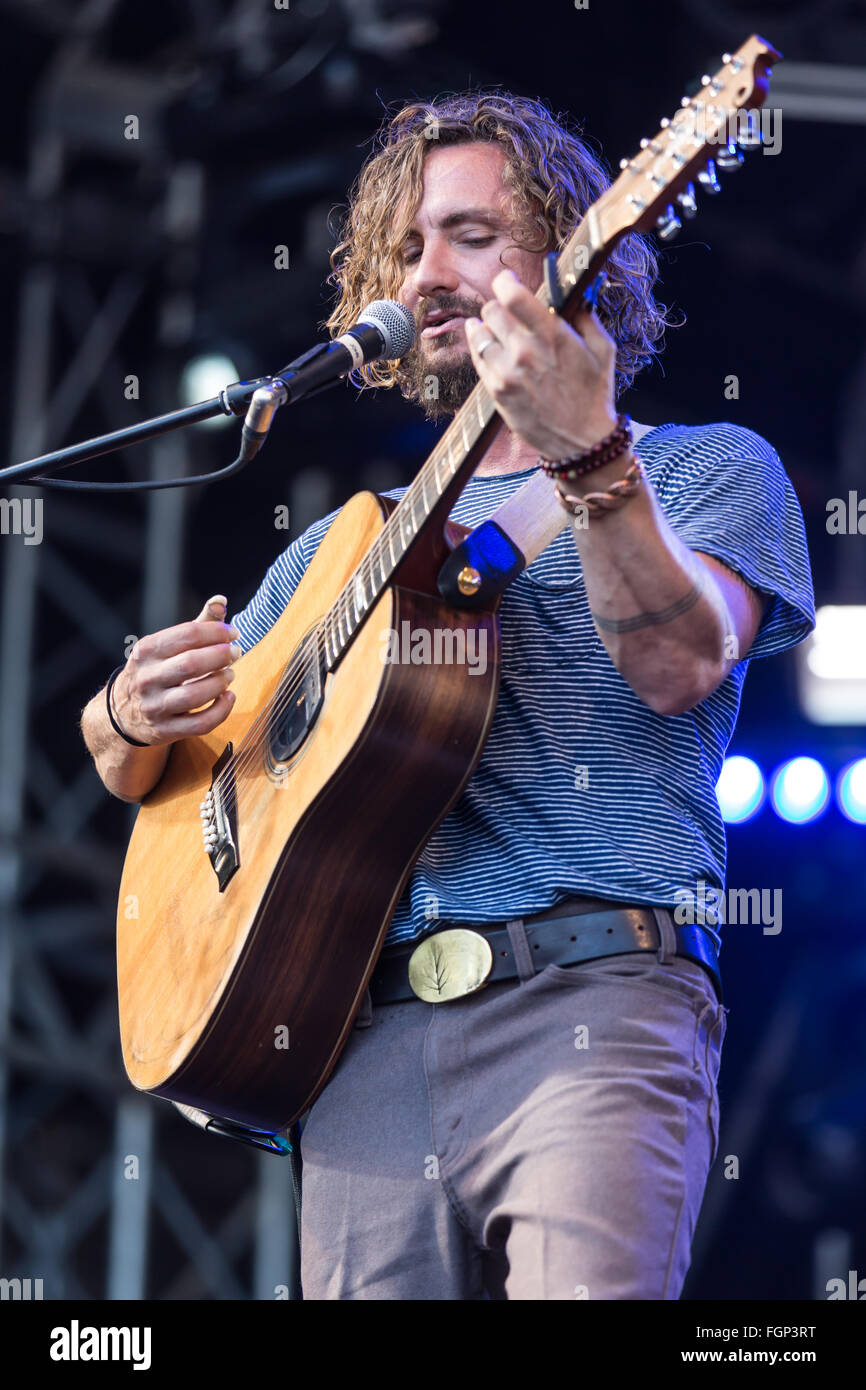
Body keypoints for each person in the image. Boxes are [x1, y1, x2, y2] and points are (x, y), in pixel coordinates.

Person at [81, 90, 815, 1300]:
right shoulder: (339, 549)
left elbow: (679, 663)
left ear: (580, 256)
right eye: (408, 247)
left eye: (471, 236)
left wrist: (588, 459)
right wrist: (123, 712)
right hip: (358, 1050)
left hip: (587, 1009)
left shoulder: (703, 470)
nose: (426, 274)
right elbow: (154, 770)